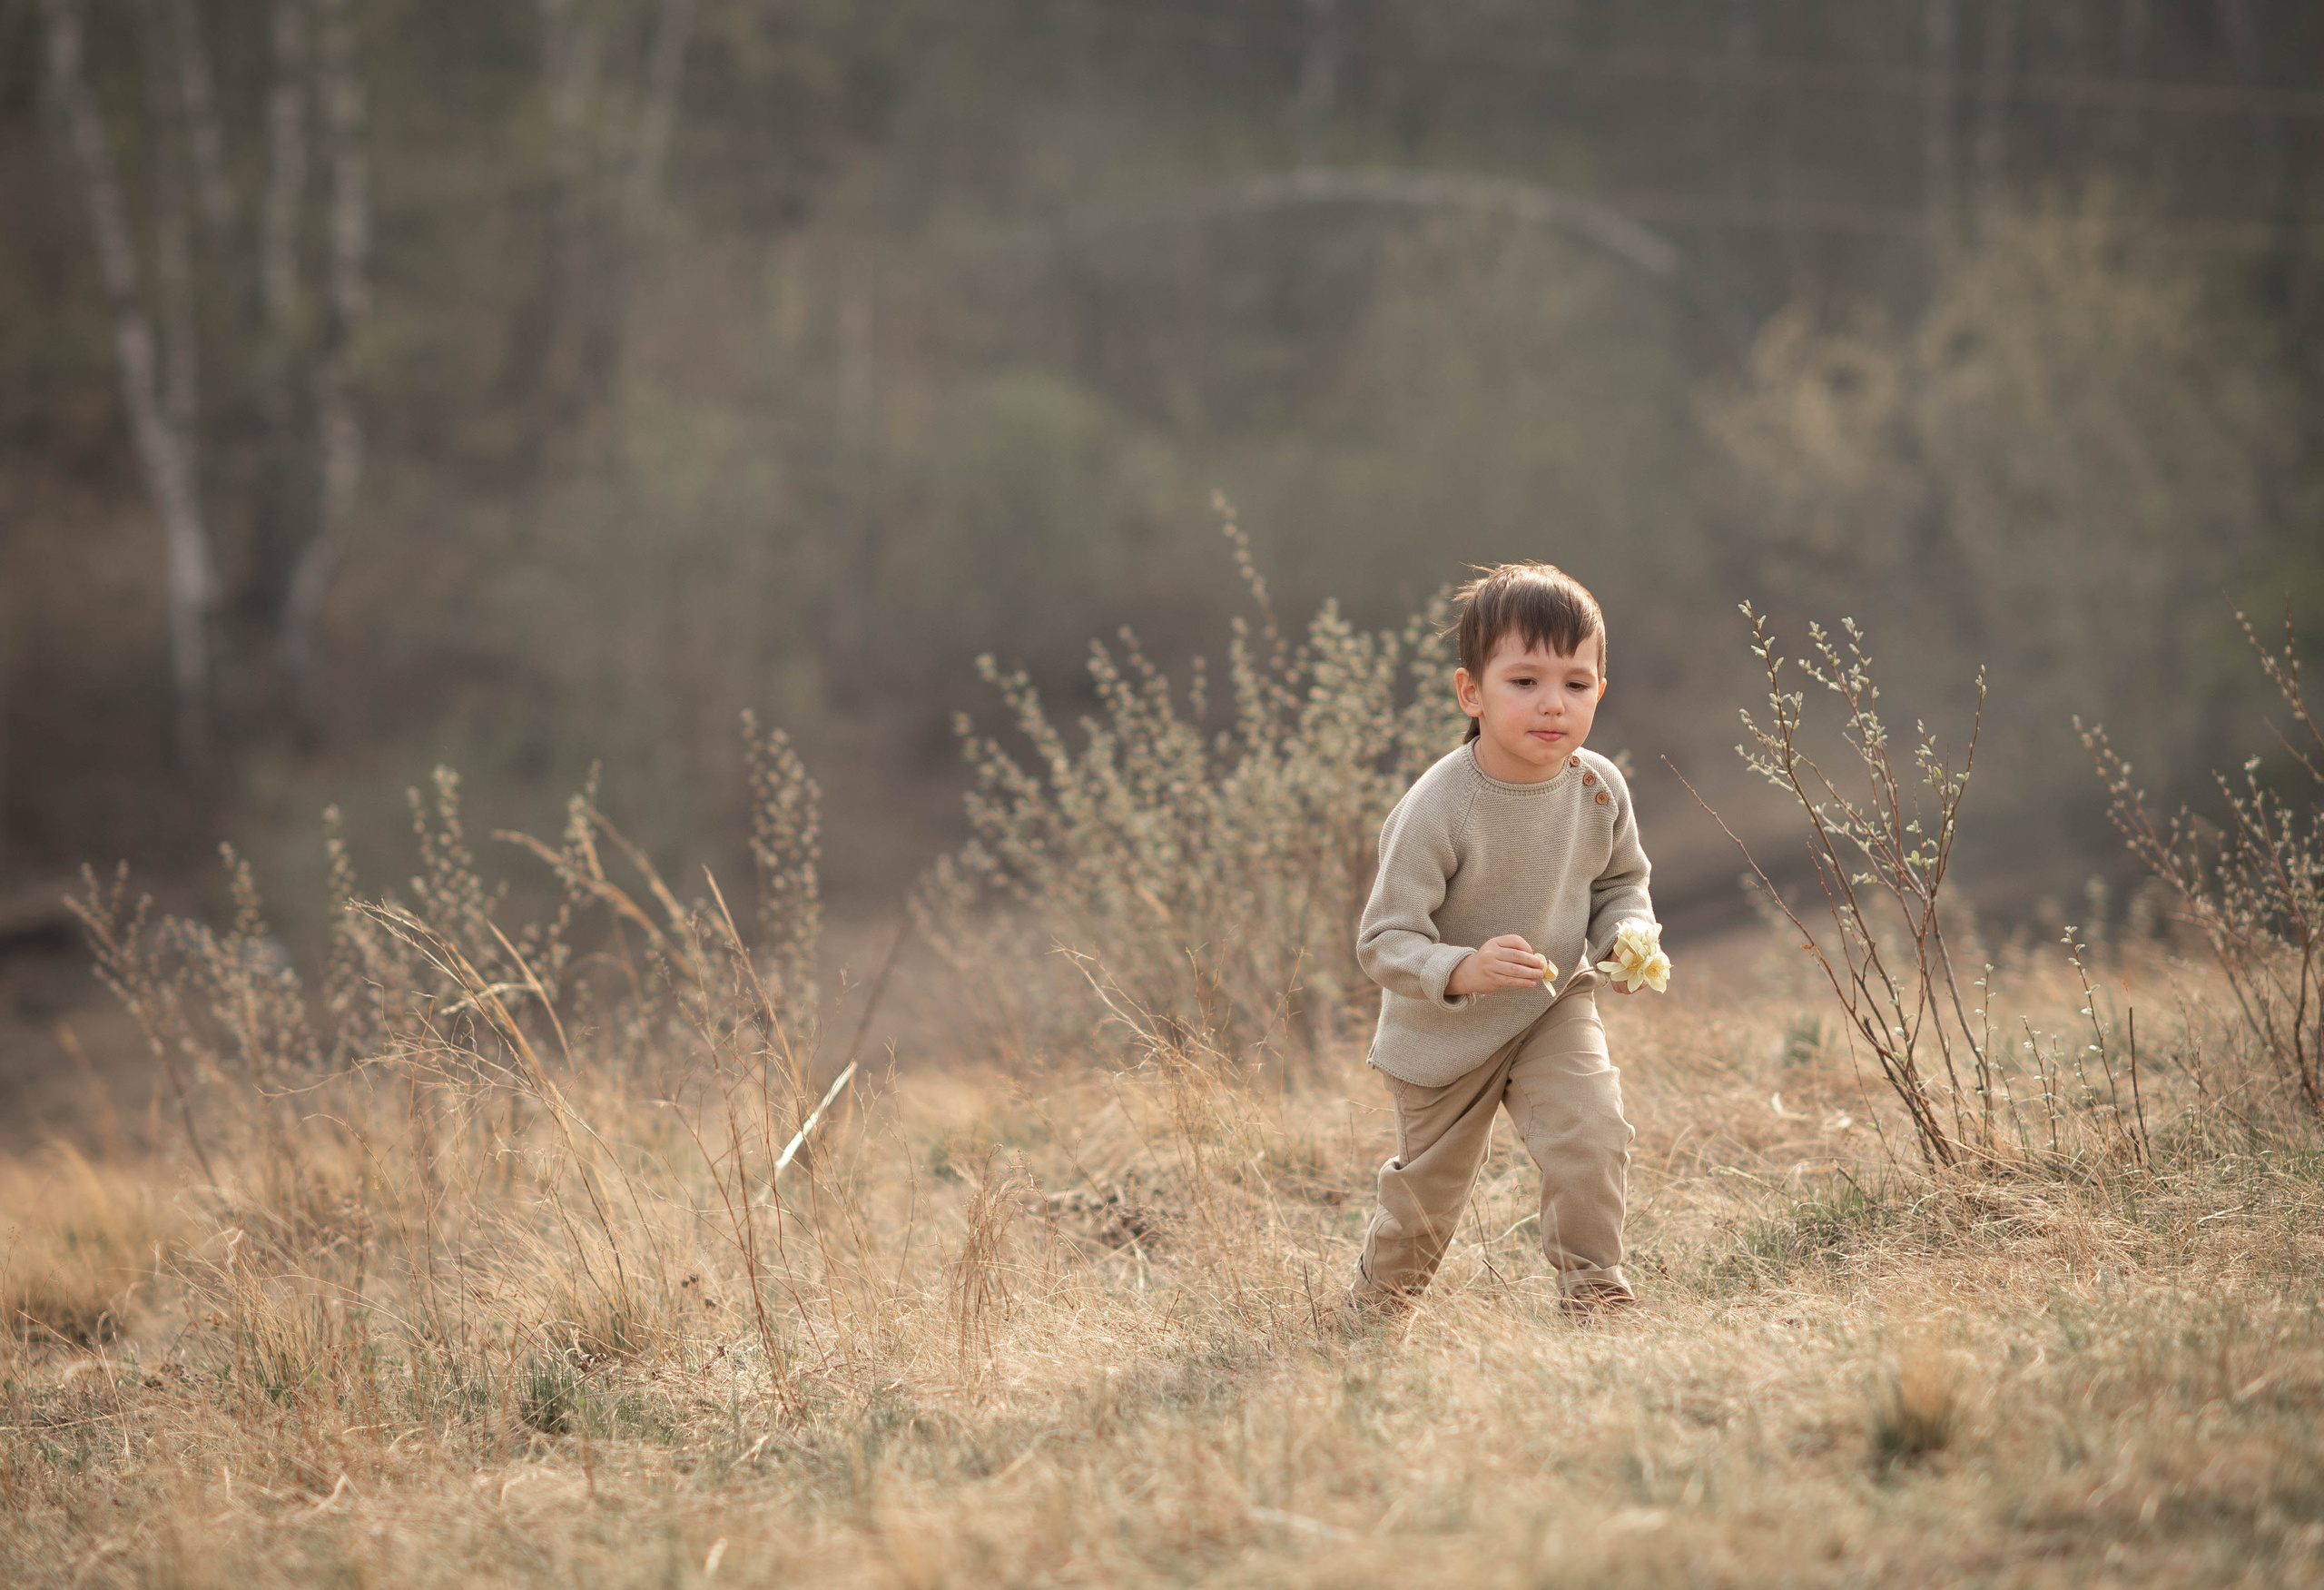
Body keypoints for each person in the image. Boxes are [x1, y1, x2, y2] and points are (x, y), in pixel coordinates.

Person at [1347, 561, 1656, 1319]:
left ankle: (1595, 1292)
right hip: (1442, 1035)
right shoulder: (1440, 806)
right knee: (1428, 1199)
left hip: (1551, 1005)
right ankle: (1374, 1316)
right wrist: (1464, 968)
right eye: (1524, 681)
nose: (1553, 703)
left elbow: (1621, 882)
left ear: (1599, 691)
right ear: (1471, 692)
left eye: (1575, 683)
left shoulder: (1598, 788)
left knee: (1592, 1133)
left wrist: (1625, 936)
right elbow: (1383, 939)